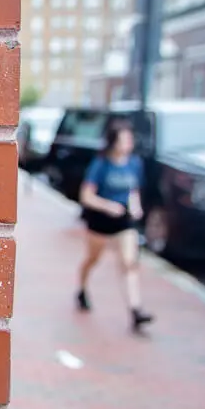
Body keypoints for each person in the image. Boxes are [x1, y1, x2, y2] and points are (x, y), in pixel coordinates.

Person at [76, 124, 154, 331]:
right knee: (93, 259)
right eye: (123, 140)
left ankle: (135, 309)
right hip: (100, 220)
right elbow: (86, 196)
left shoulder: (135, 163)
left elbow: (133, 189)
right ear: (113, 142)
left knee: (129, 262)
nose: (127, 145)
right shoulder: (101, 164)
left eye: (130, 140)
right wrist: (107, 206)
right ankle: (82, 289)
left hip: (123, 221)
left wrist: (135, 207)